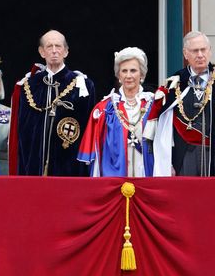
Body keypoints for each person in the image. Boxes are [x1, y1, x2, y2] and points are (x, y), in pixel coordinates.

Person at [8, 30, 95, 177]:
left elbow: (90, 131)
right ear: (42, 52)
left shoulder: (83, 85)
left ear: (66, 51)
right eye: (49, 46)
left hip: (70, 166)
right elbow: (21, 131)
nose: (54, 51)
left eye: (58, 46)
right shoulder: (28, 86)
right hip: (33, 166)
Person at [80, 47, 168, 178]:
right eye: (124, 71)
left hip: (147, 174)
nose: (128, 75)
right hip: (114, 177)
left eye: (133, 70)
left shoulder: (154, 105)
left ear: (142, 74)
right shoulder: (105, 108)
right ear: (119, 76)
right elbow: (94, 149)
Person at [154, 31, 214, 176]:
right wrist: (166, 162)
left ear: (209, 51)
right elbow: (162, 125)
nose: (200, 55)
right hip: (184, 156)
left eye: (203, 49)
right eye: (195, 51)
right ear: (185, 54)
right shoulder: (175, 83)